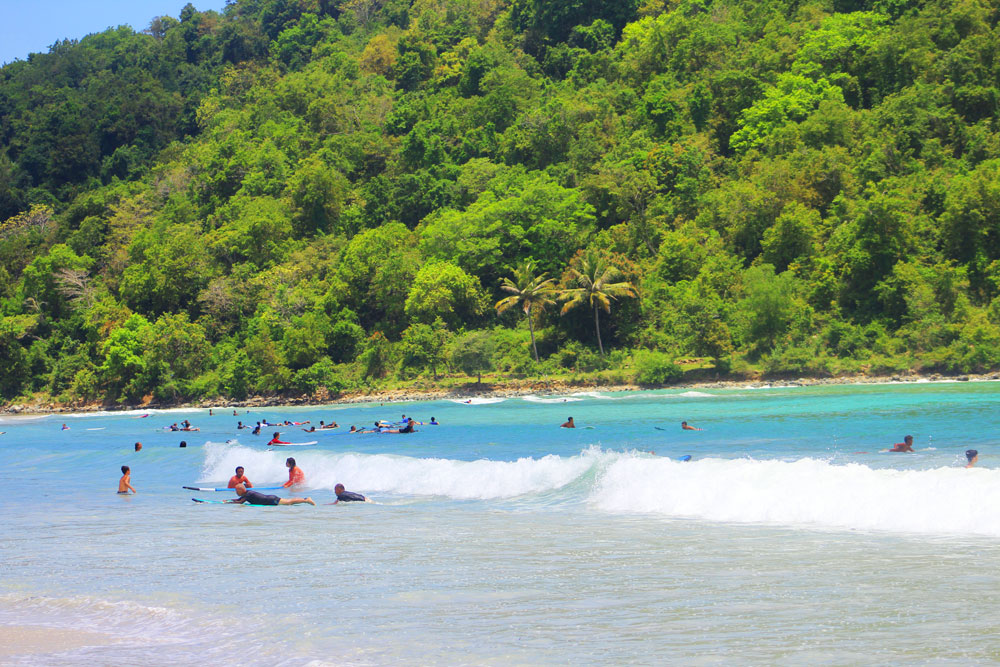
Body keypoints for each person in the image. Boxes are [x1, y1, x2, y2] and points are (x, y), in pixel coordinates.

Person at [229, 483, 314, 506]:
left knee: (289, 502)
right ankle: (305, 500)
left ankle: (306, 500)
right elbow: (239, 500)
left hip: (271, 500)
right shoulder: (246, 494)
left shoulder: (248, 494)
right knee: (289, 502)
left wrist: (229, 503)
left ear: (241, 490)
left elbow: (240, 502)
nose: (236, 492)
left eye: (236, 490)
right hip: (270, 499)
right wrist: (230, 500)